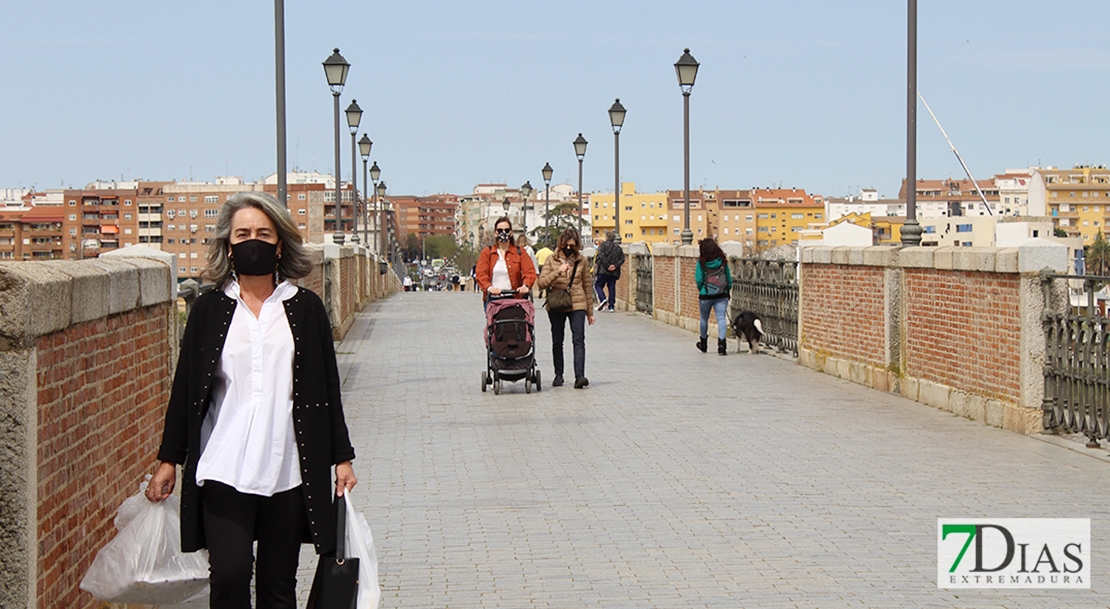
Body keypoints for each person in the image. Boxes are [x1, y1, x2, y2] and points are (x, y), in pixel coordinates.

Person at [146, 191, 358, 609]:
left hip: (287, 471)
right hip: (225, 467)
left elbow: (327, 392)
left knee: (278, 588)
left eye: (264, 233)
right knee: (229, 577)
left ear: (280, 244)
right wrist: (168, 459)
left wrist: (342, 458)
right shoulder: (209, 310)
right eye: (243, 233)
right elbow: (186, 391)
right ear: (229, 245)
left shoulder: (306, 309)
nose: (253, 241)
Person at [537, 228, 595, 388]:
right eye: (566, 245)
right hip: (557, 303)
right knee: (557, 340)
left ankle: (580, 376)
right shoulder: (551, 259)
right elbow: (541, 283)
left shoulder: (581, 260)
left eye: (573, 246)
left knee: (578, 339)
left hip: (578, 303)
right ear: (561, 244)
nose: (569, 249)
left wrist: (590, 312)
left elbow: (587, 286)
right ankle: (558, 374)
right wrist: (557, 272)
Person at [475, 217, 536, 308]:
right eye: (500, 230)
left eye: (506, 230)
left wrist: (526, 285)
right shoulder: (487, 252)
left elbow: (529, 271)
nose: (503, 233)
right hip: (493, 299)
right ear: (495, 233)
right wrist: (489, 287)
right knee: (494, 322)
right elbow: (481, 273)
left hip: (514, 298)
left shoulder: (520, 252)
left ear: (511, 233)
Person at [695, 237, 733, 356]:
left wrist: (701, 289)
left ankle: (704, 343)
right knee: (721, 318)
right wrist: (727, 289)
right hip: (722, 294)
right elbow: (728, 278)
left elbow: (699, 279)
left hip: (706, 294)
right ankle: (722, 345)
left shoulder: (701, 262)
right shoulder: (722, 261)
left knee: (704, 318)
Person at [593, 231, 625, 312]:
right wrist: (615, 266)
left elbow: (601, 257)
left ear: (606, 238)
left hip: (603, 271)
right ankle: (611, 306)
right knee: (611, 288)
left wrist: (607, 266)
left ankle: (603, 299)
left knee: (598, 285)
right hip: (614, 272)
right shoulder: (618, 248)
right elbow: (622, 259)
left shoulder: (602, 246)